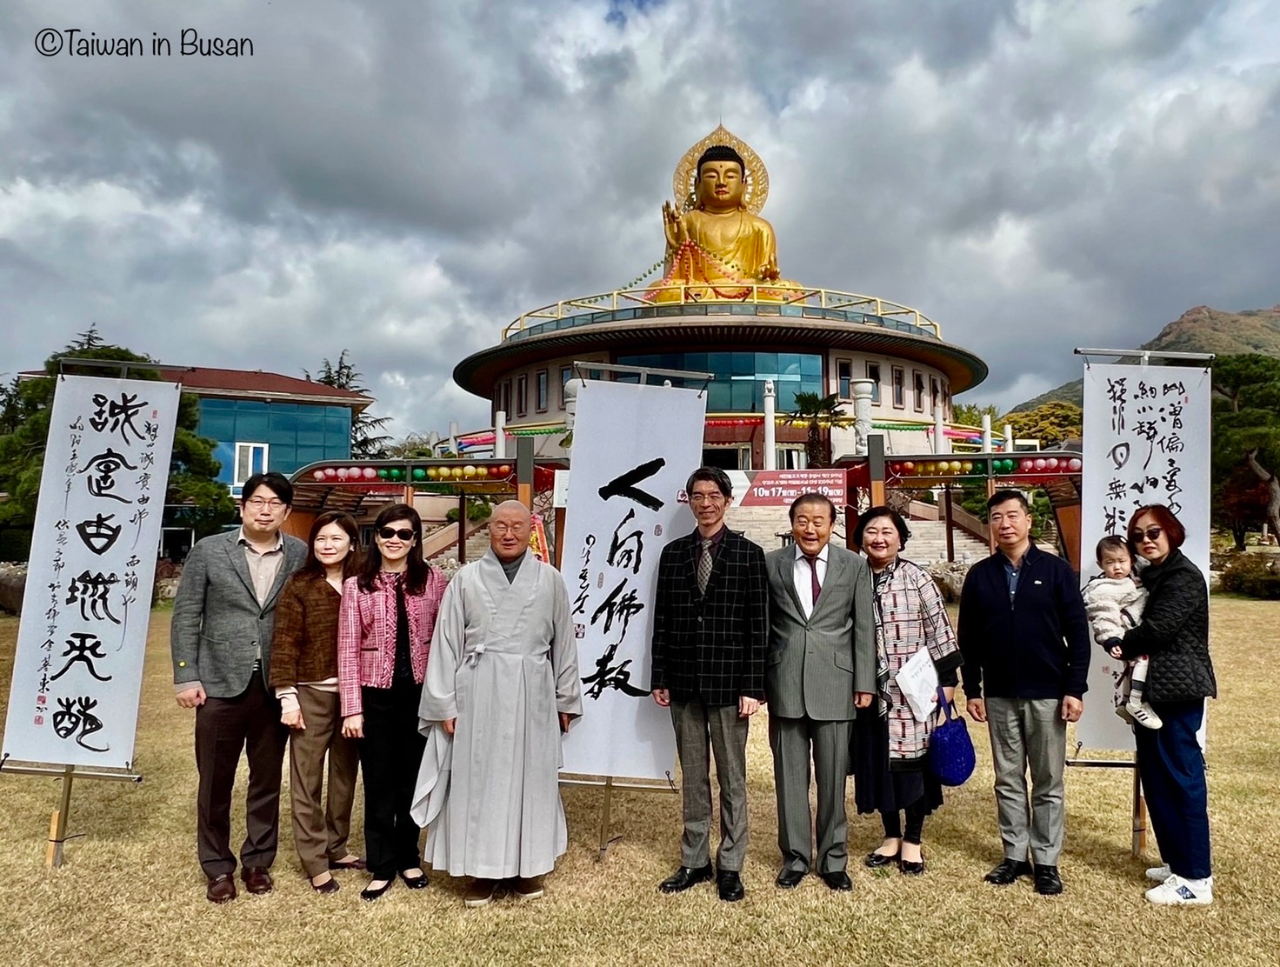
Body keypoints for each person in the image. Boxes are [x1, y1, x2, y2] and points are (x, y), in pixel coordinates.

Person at [413, 500, 582, 908]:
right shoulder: (466, 579)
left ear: (529, 530)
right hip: (478, 690)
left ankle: (527, 867)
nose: (509, 533)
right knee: (478, 778)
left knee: (531, 779)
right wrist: (444, 704)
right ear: (488, 529)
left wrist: (566, 698)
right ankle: (481, 870)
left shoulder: (550, 580)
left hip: (532, 690)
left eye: (517, 526)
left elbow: (564, 644)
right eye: (500, 525)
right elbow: (446, 643)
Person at [171, 472, 308, 903]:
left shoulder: (300, 553)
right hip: (217, 684)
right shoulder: (210, 550)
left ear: (286, 511)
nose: (265, 510)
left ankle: (257, 862)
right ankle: (217, 866)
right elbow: (186, 614)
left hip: (274, 684)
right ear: (243, 506)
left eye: (275, 504)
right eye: (258, 502)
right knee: (215, 780)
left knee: (266, 780)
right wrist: (186, 675)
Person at [958, 489, 1090, 896]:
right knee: (1008, 779)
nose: (1005, 524)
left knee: (1048, 781)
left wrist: (1074, 688)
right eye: (997, 517)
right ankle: (1014, 855)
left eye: (1013, 515)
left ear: (1028, 521)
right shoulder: (980, 575)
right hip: (999, 693)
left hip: (1048, 691)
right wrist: (973, 689)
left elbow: (1078, 634)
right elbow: (969, 638)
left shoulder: (1056, 571)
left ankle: (1046, 860)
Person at [650, 466, 768, 902]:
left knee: (732, 778)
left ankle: (731, 863)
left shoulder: (749, 554)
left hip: (730, 684)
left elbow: (759, 626)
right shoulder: (673, 554)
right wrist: (659, 675)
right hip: (683, 681)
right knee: (694, 777)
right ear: (689, 501)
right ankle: (695, 859)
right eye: (697, 495)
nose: (706, 503)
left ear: (727, 500)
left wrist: (753, 687)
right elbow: (662, 620)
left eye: (714, 495)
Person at [764, 493, 875, 892]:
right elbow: (762, 625)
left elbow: (864, 626)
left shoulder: (853, 565)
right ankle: (795, 857)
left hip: (836, 685)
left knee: (832, 780)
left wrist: (864, 682)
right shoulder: (771, 563)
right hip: (785, 683)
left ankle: (833, 859)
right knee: (789, 780)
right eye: (802, 521)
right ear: (791, 523)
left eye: (818, 522)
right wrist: (758, 683)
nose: (810, 529)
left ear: (832, 525)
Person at [338, 504, 447, 901]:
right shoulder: (358, 585)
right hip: (375, 695)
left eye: (404, 533)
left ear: (415, 540)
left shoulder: (434, 580)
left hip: (419, 695)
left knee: (412, 780)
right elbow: (347, 648)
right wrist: (352, 708)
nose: (395, 540)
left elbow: (446, 639)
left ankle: (408, 856)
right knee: (379, 781)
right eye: (387, 532)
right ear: (377, 537)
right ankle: (381, 864)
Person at [852, 506, 962, 876]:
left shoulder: (917, 578)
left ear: (901, 538)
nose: (879, 538)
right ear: (860, 538)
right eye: (871, 531)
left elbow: (940, 630)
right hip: (869, 690)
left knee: (914, 766)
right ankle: (890, 836)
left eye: (887, 531)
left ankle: (913, 839)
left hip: (914, 691)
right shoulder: (853, 577)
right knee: (881, 763)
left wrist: (948, 683)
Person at [1117, 505, 1216, 906]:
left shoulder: (1182, 577)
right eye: (1138, 536)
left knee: (1181, 778)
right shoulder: (1154, 575)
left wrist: (1119, 642)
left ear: (1172, 532)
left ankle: (1195, 878)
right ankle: (1177, 862)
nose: (1146, 541)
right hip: (1153, 691)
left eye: (1154, 532)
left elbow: (1159, 630)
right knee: (1157, 778)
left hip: (1178, 691)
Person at [268, 511, 365, 894]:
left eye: (336, 539)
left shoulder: (364, 582)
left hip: (355, 696)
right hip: (311, 693)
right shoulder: (301, 584)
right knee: (306, 778)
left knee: (344, 776)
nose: (327, 545)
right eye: (321, 539)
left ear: (352, 544)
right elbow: (285, 641)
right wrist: (287, 697)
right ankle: (314, 859)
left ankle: (336, 847)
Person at [651, 143, 800, 302]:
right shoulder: (685, 223)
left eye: (730, 176)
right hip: (699, 289)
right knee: (659, 290)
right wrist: (679, 249)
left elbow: (767, 274)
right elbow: (670, 278)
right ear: (697, 184)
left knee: (792, 290)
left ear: (744, 184)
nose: (721, 182)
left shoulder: (760, 227)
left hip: (745, 289)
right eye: (711, 176)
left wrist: (767, 275)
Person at [1081, 536, 1159, 728]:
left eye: (1122, 561)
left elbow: (1144, 564)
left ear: (1131, 560)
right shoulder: (1103, 589)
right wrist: (1111, 639)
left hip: (1134, 629)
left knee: (1130, 667)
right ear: (1100, 565)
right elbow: (1103, 616)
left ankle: (1124, 702)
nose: (1117, 567)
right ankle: (1135, 702)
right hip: (1124, 634)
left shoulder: (1133, 576)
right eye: (1110, 562)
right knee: (1141, 660)